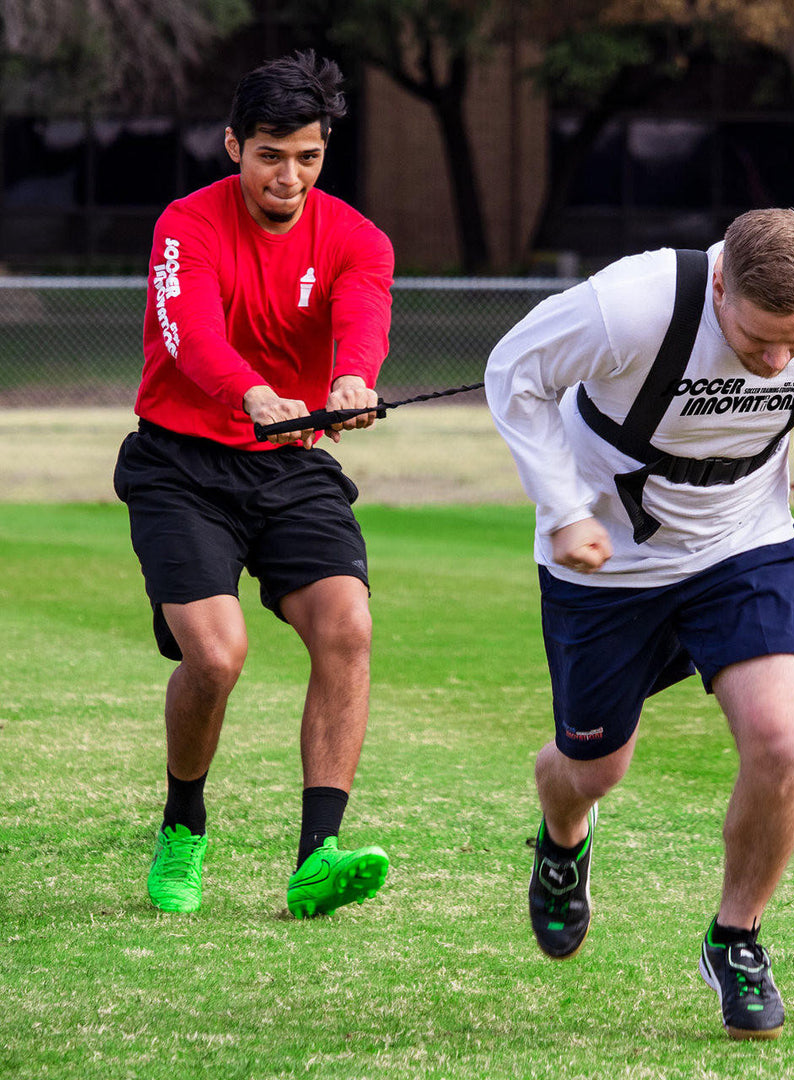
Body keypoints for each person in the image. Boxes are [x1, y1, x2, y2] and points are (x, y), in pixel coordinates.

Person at [485, 209, 794, 1039]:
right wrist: (565, 507)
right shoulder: (634, 305)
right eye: (760, 342)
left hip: (741, 542)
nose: (779, 361)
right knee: (594, 768)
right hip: (607, 557)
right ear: (720, 285)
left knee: (783, 741)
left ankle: (737, 937)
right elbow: (514, 372)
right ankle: (563, 836)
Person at [113, 50, 394, 919]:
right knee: (217, 655)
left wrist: (352, 381)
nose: (289, 174)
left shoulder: (357, 237)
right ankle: (183, 826)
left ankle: (318, 857)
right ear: (235, 145)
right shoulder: (185, 226)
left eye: (307, 155)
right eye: (271, 153)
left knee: (347, 625)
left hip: (293, 466)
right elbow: (190, 335)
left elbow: (362, 318)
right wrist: (253, 394)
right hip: (181, 464)